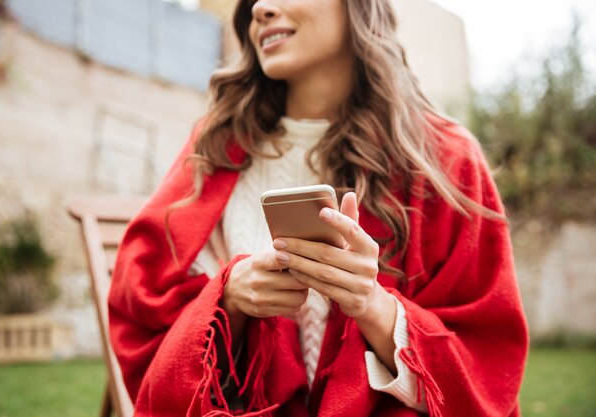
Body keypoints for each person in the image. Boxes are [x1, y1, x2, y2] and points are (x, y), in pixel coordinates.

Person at [108, 0, 529, 416]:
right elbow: (145, 324)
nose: (261, 9)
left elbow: (489, 368)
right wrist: (230, 297)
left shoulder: (444, 160)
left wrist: (373, 307)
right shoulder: (214, 149)